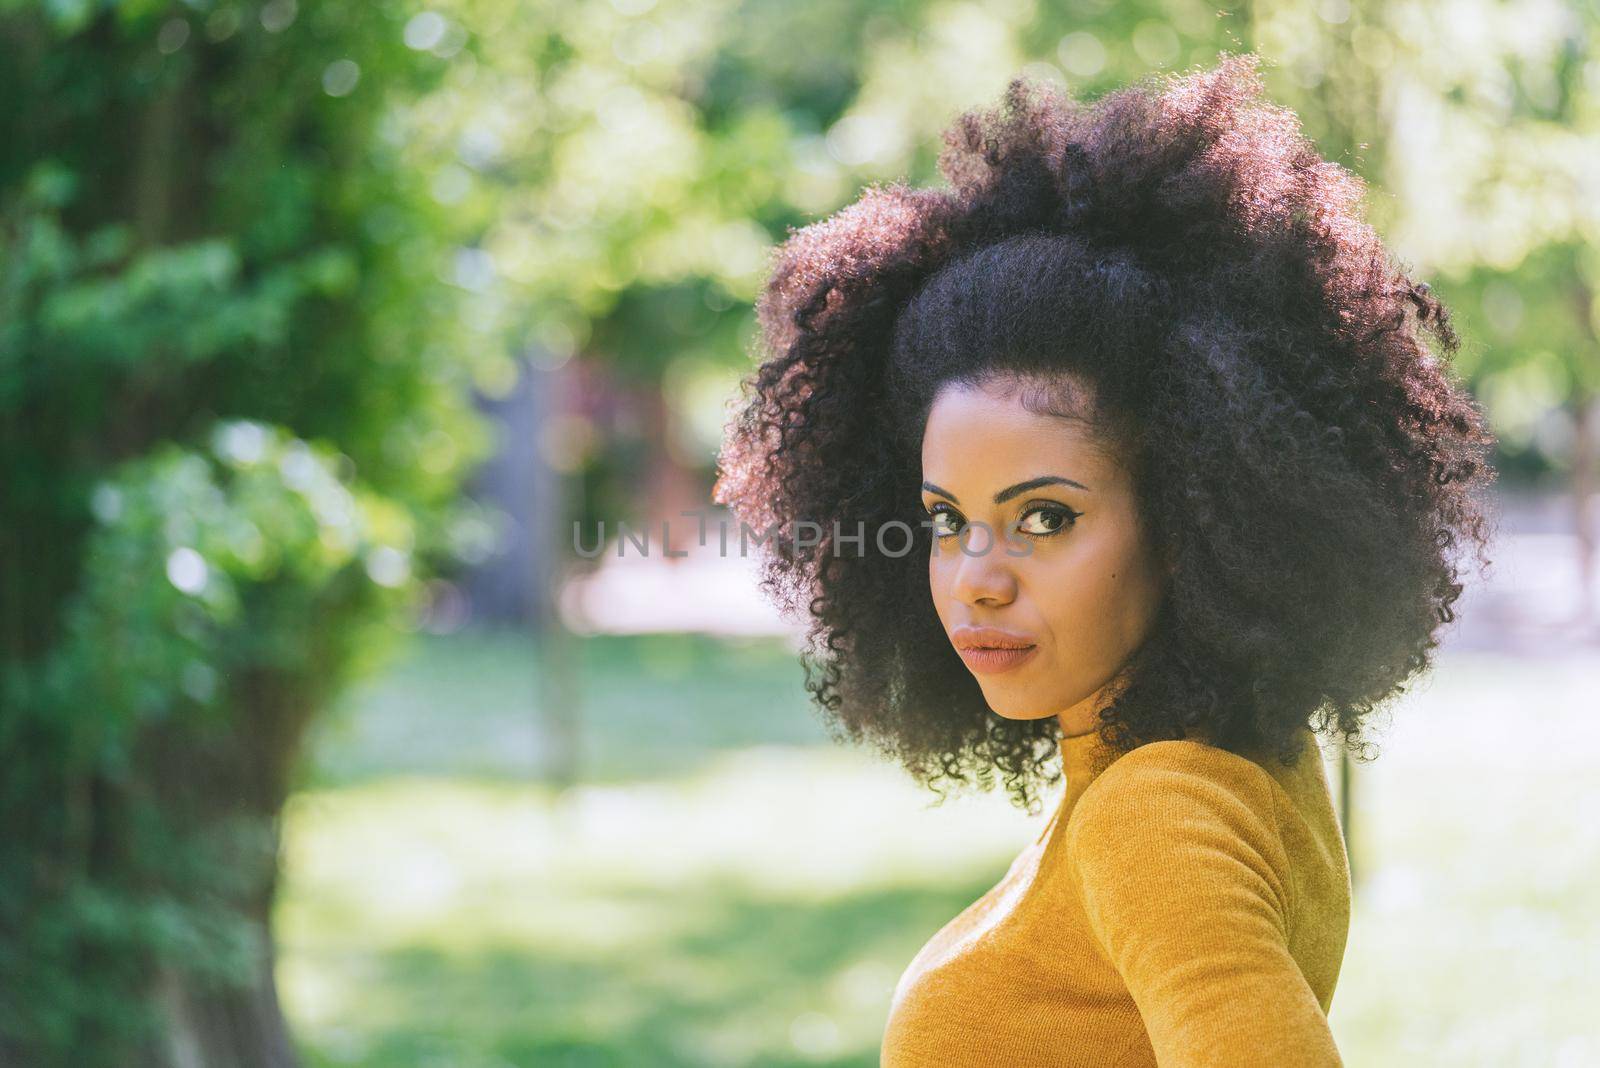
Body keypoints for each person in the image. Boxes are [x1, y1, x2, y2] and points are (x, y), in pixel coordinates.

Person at [712, 52, 1497, 1066]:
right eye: (947, 520)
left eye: (1043, 518)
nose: (975, 576)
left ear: (1190, 518)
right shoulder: (1228, 762)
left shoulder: (1153, 811)